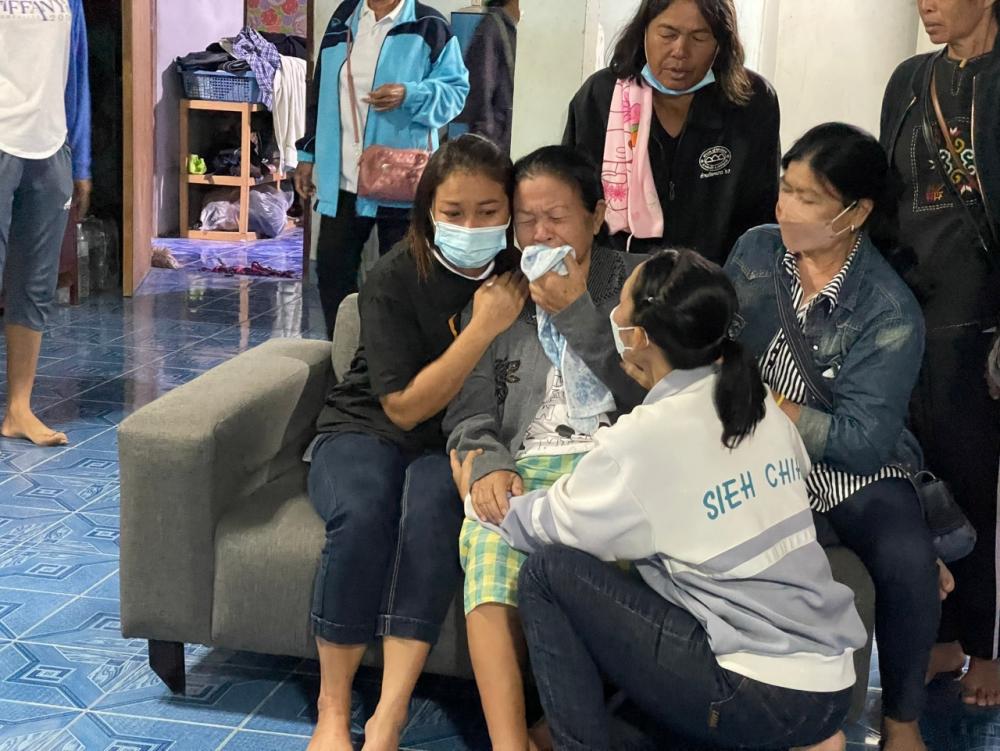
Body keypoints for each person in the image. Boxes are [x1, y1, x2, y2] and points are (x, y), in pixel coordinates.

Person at [451, 249, 867, 751]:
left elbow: (546, 526)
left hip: (754, 691)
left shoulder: (647, 437)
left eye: (621, 307)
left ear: (639, 337)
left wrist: (476, 499)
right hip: (830, 689)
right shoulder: (757, 405)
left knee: (549, 574)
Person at [305, 135, 528, 751]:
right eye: (454, 212)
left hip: (453, 442)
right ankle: (332, 709)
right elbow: (401, 408)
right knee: (363, 509)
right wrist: (481, 327)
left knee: (432, 516)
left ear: (510, 211)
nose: (471, 224)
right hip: (363, 428)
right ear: (430, 210)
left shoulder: (518, 275)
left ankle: (390, 714)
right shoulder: (394, 276)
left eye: (488, 211)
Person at [725, 123, 940, 751]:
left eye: (807, 198)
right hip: (753, 451)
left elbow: (864, 443)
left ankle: (901, 719)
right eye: (784, 190)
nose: (784, 209)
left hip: (846, 470)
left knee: (905, 558)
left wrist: (770, 407)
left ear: (857, 213)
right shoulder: (757, 253)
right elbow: (716, 338)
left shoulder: (888, 309)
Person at [444, 146, 646, 751]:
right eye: (526, 220)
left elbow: (658, 396)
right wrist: (487, 462)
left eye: (555, 217)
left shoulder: (637, 286)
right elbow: (469, 407)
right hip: (526, 462)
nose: (539, 233)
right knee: (484, 533)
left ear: (596, 215)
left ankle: (553, 729)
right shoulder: (501, 295)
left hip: (618, 460)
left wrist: (580, 315)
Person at [880, 0, 1000, 708]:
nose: (926, 3)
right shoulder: (908, 79)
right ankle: (945, 636)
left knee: (982, 486)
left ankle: (988, 646)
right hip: (912, 312)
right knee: (924, 477)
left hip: (982, 314)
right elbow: (888, 197)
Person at [295, 0, 470, 336]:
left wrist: (411, 94)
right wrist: (307, 155)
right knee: (333, 272)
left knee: (402, 281)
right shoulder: (342, 18)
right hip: (343, 177)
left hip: (402, 181)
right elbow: (320, 92)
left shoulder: (429, 25)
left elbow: (456, 93)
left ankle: (394, 362)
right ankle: (344, 355)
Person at [563, 0, 779, 264]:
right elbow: (570, 198)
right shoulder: (601, 96)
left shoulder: (751, 102)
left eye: (699, 37)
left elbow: (762, 214)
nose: (680, 51)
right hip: (617, 281)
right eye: (667, 34)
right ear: (644, 31)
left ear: (721, 43)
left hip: (714, 283)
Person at [0, 0, 90, 447]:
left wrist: (82, 159)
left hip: (50, 147)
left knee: (35, 284)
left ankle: (19, 409)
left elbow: (77, 74)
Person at [460, 0, 519, 154]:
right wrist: (485, 136)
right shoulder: (492, 28)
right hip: (495, 141)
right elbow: (481, 87)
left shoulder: (511, 27)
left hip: (505, 137)